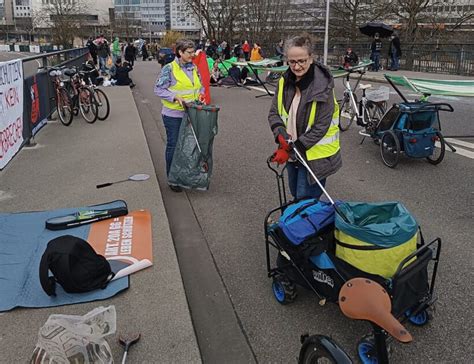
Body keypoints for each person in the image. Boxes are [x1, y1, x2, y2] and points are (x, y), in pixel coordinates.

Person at [268, 35, 341, 200]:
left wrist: (293, 148)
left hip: (316, 156)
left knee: (305, 199)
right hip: (293, 151)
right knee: (295, 193)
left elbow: (321, 126)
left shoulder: (322, 87)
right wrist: (280, 135)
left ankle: (308, 225)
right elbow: (274, 113)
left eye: (301, 60)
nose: (297, 66)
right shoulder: (284, 82)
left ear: (311, 58)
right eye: (292, 62)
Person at [154, 39, 205, 193]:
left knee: (188, 146)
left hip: (191, 112)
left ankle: (185, 174)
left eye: (193, 52)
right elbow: (158, 89)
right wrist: (175, 97)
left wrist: (201, 95)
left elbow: (200, 86)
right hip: (173, 115)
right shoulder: (169, 69)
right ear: (180, 52)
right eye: (189, 52)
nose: (192, 55)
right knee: (174, 146)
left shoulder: (194, 68)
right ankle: (173, 178)